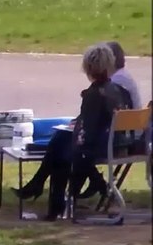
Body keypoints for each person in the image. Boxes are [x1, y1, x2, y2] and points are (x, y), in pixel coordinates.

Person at [12, 42, 130, 220]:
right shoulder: (118, 90)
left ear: (88, 68)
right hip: (120, 141)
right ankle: (43, 187)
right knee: (61, 140)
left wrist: (74, 137)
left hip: (101, 145)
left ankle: (54, 201)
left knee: (61, 153)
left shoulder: (94, 95)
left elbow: (87, 133)